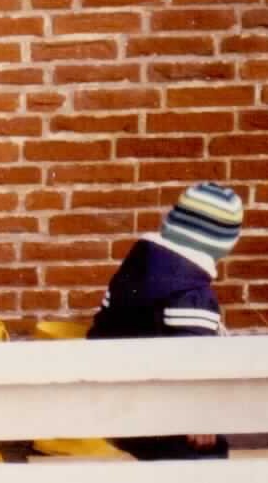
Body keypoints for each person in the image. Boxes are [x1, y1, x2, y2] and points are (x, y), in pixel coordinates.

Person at [88, 181, 243, 462]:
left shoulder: (133, 270)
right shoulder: (192, 295)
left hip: (116, 404)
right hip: (171, 420)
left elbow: (100, 329)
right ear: (220, 245)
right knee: (209, 459)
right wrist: (199, 415)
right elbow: (192, 358)